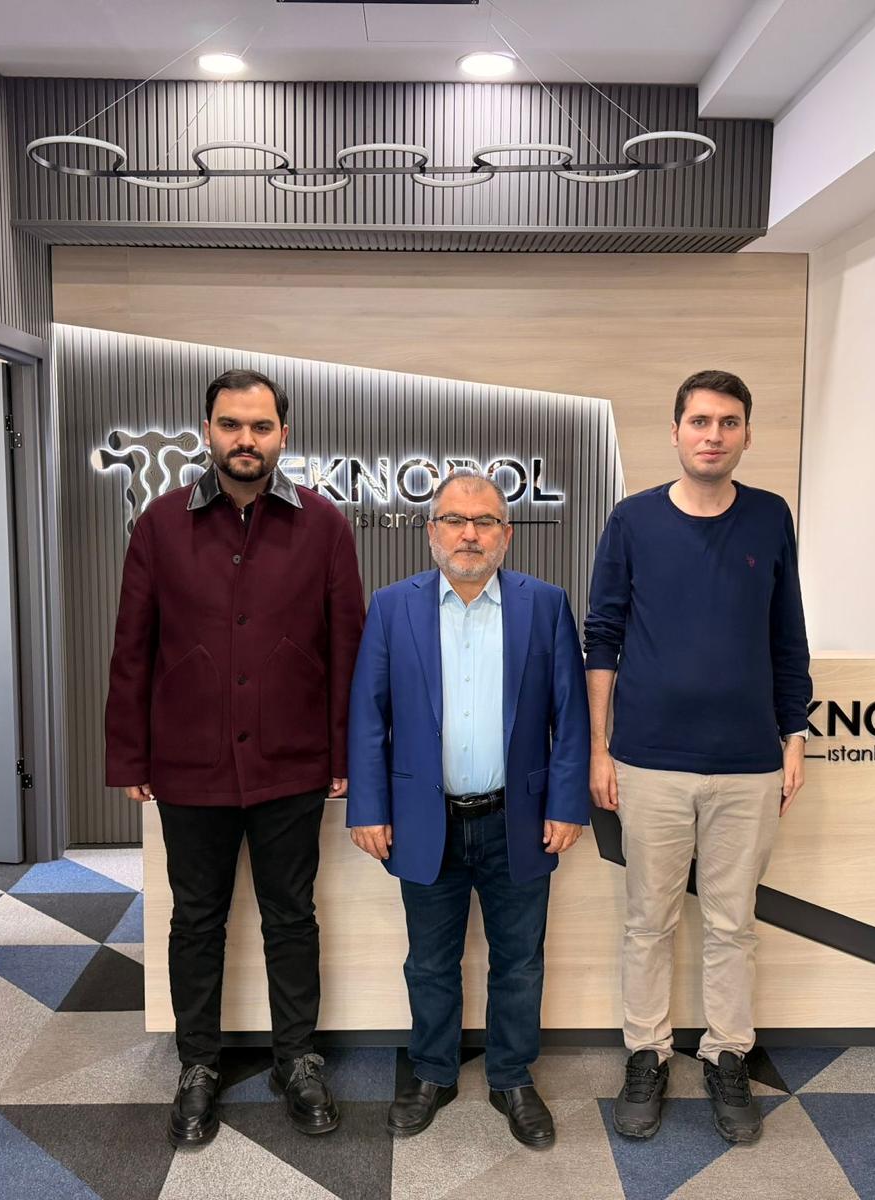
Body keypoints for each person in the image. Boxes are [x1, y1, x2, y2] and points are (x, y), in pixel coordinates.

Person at [104, 368, 365, 1148]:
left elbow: (347, 649)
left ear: (284, 433)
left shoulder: (324, 525)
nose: (244, 440)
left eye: (259, 426)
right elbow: (132, 649)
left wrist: (346, 752)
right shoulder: (160, 524)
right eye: (230, 425)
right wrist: (130, 755)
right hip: (190, 764)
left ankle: (297, 1059)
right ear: (207, 431)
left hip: (294, 761)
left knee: (291, 917)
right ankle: (198, 1065)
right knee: (196, 920)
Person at [585, 369, 811, 1145]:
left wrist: (794, 734)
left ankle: (726, 1055)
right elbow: (603, 638)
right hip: (648, 760)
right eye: (700, 421)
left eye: (728, 422)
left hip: (748, 763)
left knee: (731, 924)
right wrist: (599, 748)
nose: (713, 435)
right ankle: (645, 1054)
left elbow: (787, 634)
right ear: (676, 430)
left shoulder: (769, 517)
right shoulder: (633, 520)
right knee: (648, 921)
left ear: (746, 434)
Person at [346, 471, 591, 1149]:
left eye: (484, 522)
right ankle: (433, 1071)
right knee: (429, 962)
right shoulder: (392, 607)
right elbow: (367, 716)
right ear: (432, 531)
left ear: (506, 535)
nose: (469, 534)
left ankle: (512, 1076)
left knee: (520, 961)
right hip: (424, 821)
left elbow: (570, 716)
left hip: (519, 820)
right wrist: (368, 807)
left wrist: (567, 803)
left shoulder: (545, 605)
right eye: (454, 520)